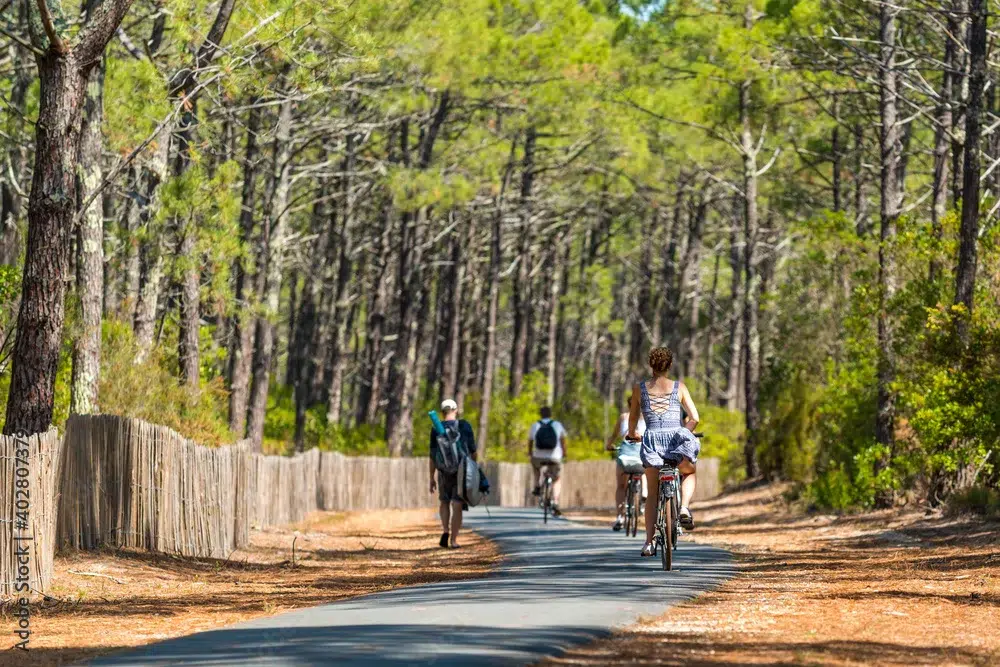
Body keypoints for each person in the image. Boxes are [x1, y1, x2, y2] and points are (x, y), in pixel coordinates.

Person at [626, 347, 700, 557]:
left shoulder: (639, 388)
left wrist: (632, 434)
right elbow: (695, 418)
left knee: (652, 492)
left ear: (651, 365)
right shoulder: (679, 387)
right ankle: (684, 507)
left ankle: (649, 543)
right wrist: (683, 433)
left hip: (651, 442)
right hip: (676, 440)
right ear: (669, 365)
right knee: (689, 471)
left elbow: (633, 419)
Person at [429, 398, 477, 549]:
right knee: (457, 504)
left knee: (444, 501)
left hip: (443, 471)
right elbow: (473, 451)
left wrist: (431, 477)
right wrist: (474, 469)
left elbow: (432, 456)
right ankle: (454, 540)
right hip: (461, 470)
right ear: (456, 410)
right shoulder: (464, 426)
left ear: (442, 413)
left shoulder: (436, 428)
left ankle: (445, 530)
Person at [605, 398, 647, 531]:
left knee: (621, 486)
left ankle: (620, 517)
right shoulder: (647, 418)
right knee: (646, 468)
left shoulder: (623, 417)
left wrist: (609, 445)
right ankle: (645, 492)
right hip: (642, 455)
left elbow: (614, 436)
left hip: (625, 456)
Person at [529, 406, 567, 516]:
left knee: (536, 468)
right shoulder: (557, 425)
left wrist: (530, 453)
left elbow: (530, 442)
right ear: (550, 414)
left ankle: (537, 485)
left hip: (538, 456)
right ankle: (555, 502)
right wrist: (564, 453)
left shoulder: (535, 425)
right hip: (555, 457)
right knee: (556, 479)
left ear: (540, 414)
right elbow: (563, 441)